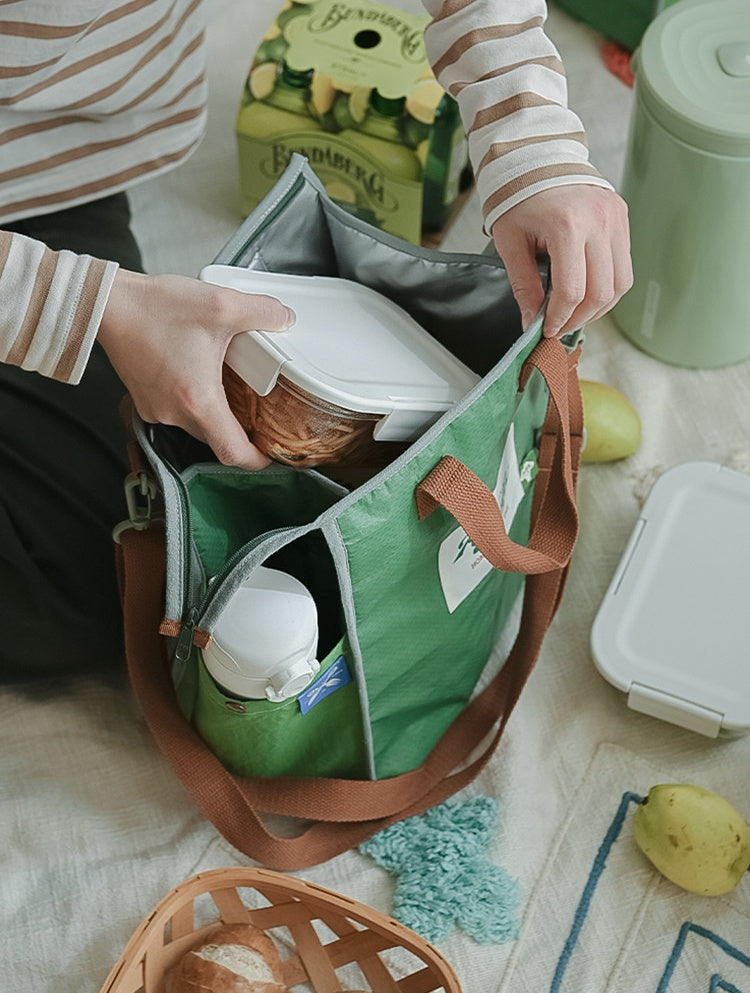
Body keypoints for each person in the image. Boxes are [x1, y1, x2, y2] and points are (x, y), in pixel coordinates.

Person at [0, 0, 631, 681]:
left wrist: (530, 138)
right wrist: (94, 309)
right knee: (59, 602)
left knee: (105, 572)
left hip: (51, 160)